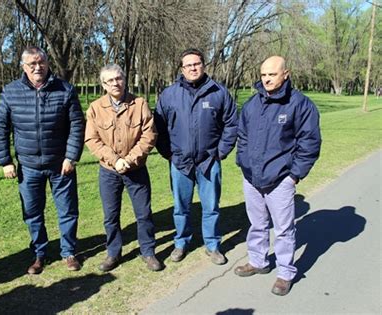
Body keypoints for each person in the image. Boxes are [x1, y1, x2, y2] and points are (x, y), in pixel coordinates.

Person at [0, 47, 85, 275]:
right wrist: (5, 161)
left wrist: (71, 156)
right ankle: (39, 254)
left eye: (41, 62)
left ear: (47, 63)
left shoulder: (65, 89)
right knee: (32, 213)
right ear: (23, 66)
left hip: (60, 165)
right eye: (32, 64)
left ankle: (69, 252)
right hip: (28, 167)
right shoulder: (11, 92)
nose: (37, 67)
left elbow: (77, 126)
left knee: (68, 211)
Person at [234, 56, 321, 296]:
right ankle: (258, 261)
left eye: (272, 74)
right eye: (263, 74)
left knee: (283, 230)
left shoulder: (300, 105)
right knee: (257, 224)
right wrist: (244, 164)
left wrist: (294, 176)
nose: (267, 79)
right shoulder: (252, 104)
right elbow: (242, 137)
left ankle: (285, 273)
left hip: (281, 179)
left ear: (286, 74)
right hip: (252, 177)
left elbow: (310, 144)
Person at [154, 48, 238, 265]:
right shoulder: (169, 94)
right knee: (181, 207)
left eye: (197, 63)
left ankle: (212, 245)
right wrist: (170, 155)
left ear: (203, 65)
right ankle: (181, 242)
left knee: (211, 206)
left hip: (209, 162)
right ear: (182, 68)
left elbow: (231, 124)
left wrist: (220, 152)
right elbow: (158, 129)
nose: (193, 68)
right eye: (188, 65)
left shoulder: (218, 92)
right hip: (180, 163)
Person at [85, 64, 163, 272]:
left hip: (136, 169)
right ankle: (113, 253)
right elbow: (92, 139)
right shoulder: (95, 108)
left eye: (118, 78)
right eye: (109, 81)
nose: (115, 83)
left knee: (143, 213)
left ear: (124, 79)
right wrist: (115, 160)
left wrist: (129, 159)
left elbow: (150, 135)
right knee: (110, 215)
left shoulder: (139, 104)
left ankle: (148, 252)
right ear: (103, 85)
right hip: (108, 171)